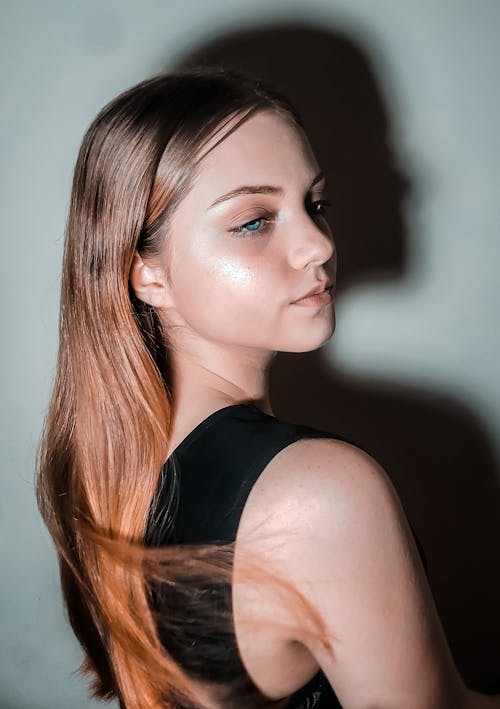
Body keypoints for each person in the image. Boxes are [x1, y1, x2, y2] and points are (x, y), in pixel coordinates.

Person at [36, 66, 499, 709]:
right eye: (253, 221)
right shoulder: (317, 493)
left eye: (315, 204)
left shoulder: (114, 483)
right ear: (146, 274)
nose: (316, 244)